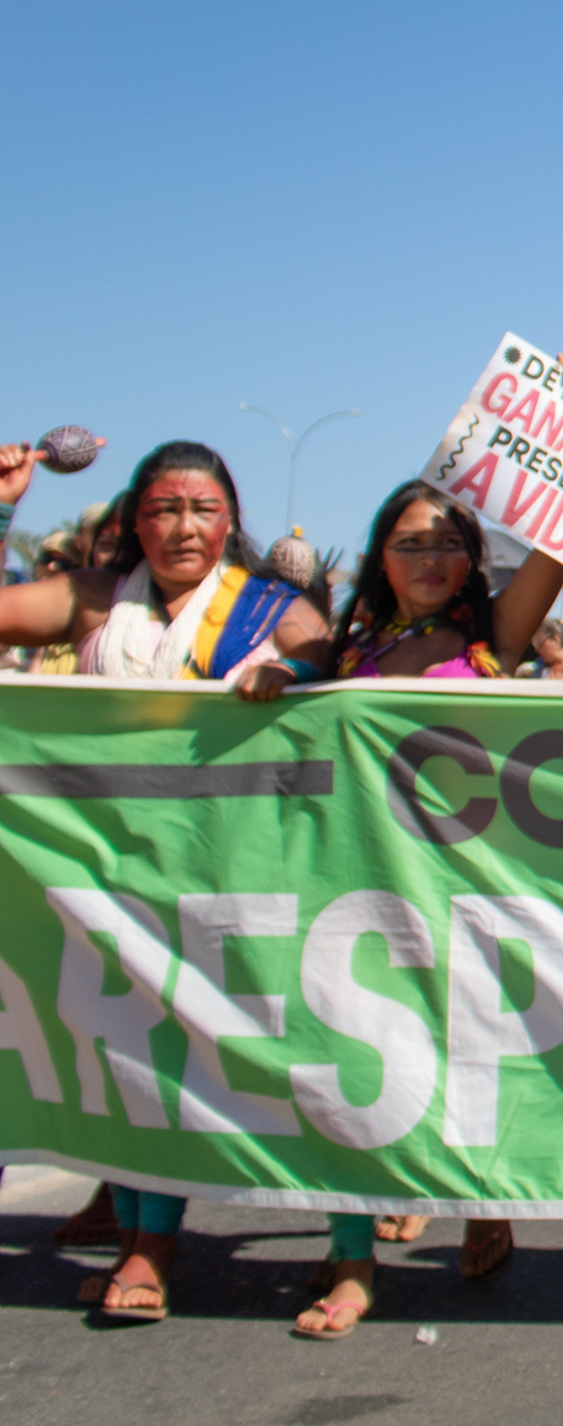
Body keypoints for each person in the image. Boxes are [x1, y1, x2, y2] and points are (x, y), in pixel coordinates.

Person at [238, 436, 563, 1337]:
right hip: (352, 877)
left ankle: (482, 1198)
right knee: (349, 1065)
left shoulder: (492, 639)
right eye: (410, 543)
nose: (430, 559)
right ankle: (352, 1261)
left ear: (472, 561)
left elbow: (562, 545)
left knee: (470, 1056)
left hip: (460, 876)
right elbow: (294, 701)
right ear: (379, 559)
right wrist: (284, 680)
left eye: (447, 544)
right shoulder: (346, 642)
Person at [0, 439, 330, 1321]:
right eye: (162, 511)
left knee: (176, 1051)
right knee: (118, 1048)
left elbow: (319, 649)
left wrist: (283, 670)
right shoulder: (95, 601)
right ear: (133, 522)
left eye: (202, 511)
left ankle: (152, 1247)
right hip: (95, 867)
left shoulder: (265, 606)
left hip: (211, 868)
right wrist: (4, 510)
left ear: (229, 520)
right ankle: (137, 1230)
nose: (183, 528)